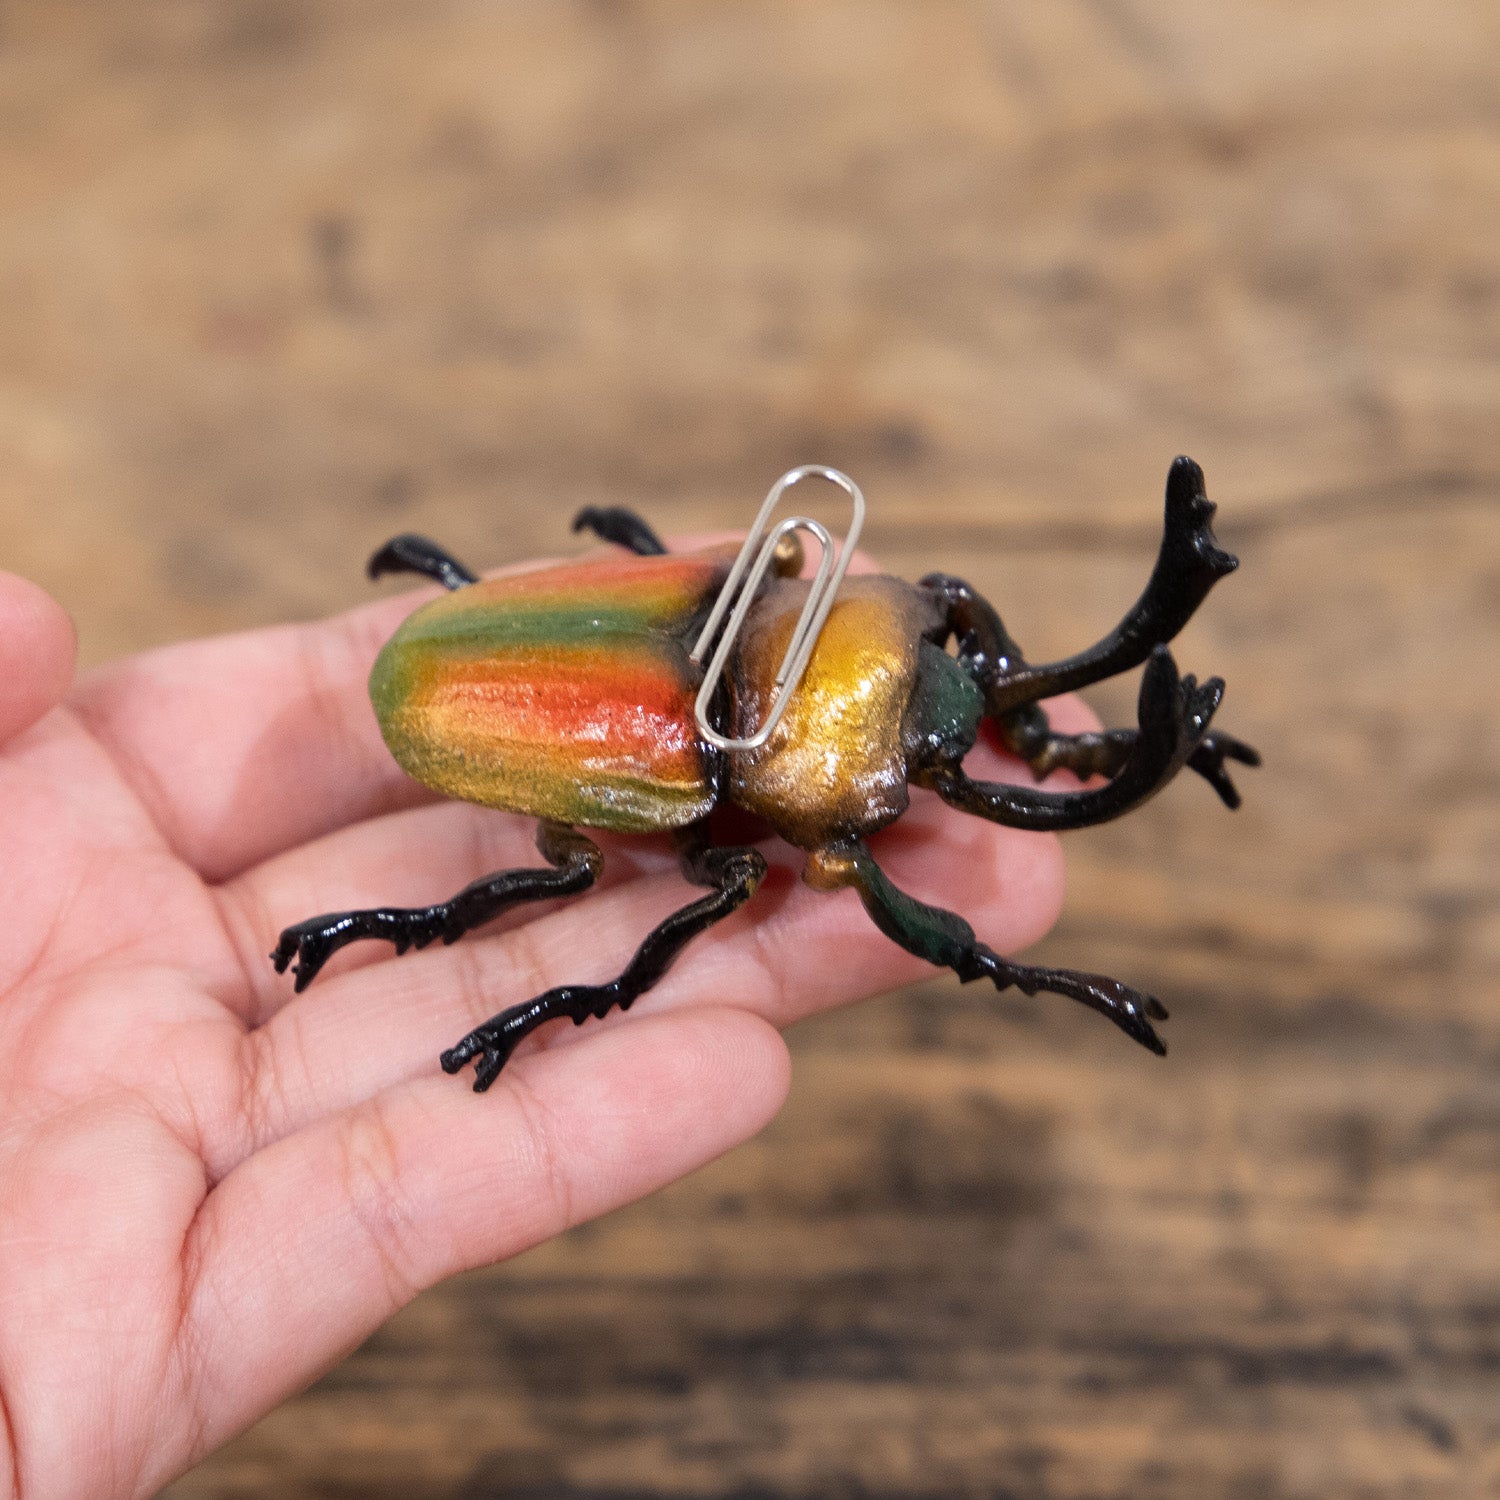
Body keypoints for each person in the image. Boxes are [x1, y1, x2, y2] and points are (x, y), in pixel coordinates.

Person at [0, 556, 1072, 1497]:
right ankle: (448, 931)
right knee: (597, 871)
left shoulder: (761, 583)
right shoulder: (712, 743)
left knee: (630, 875)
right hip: (503, 697)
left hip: (604, 622)